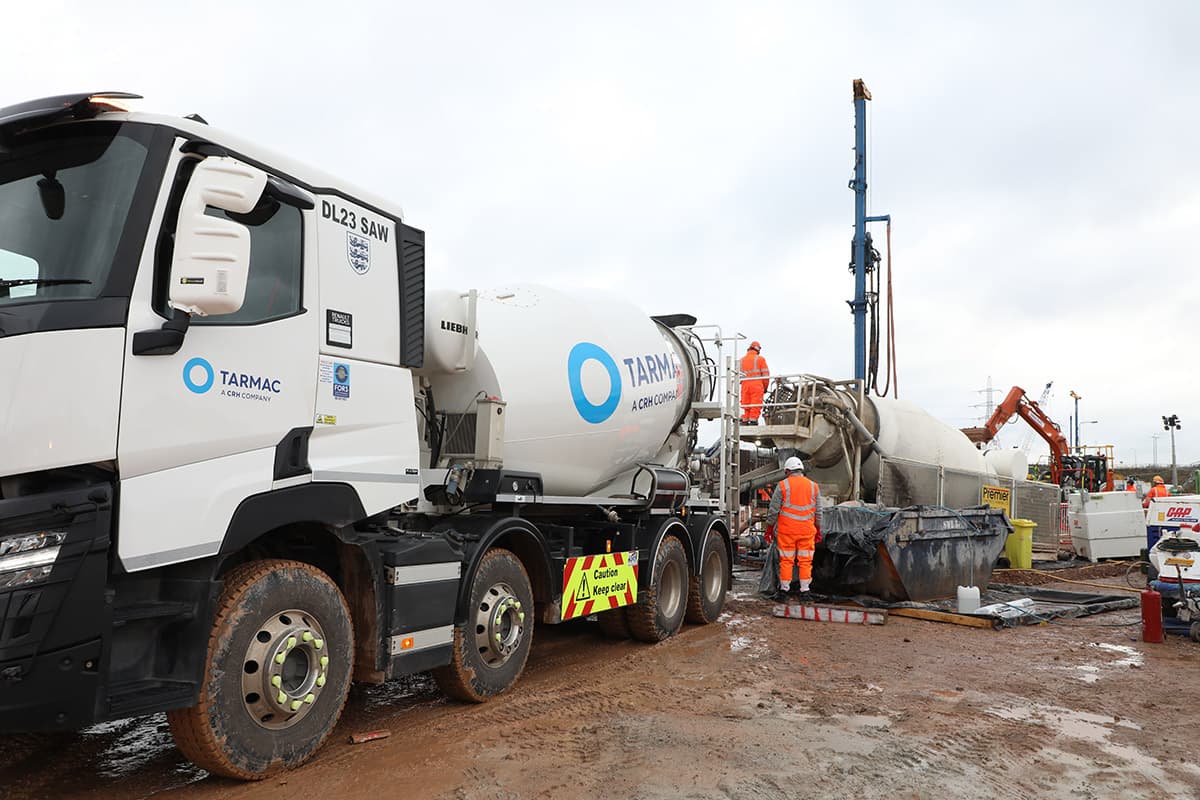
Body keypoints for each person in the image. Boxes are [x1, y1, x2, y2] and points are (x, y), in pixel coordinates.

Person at [765, 456, 822, 602]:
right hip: (807, 531)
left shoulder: (783, 485)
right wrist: (818, 530)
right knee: (805, 562)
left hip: (787, 531)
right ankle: (805, 592)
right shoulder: (813, 486)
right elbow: (818, 512)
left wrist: (769, 529)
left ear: (788, 471)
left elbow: (773, 510)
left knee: (786, 561)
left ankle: (784, 591)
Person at [739, 341, 769, 424]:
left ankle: (745, 420)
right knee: (755, 403)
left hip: (745, 385)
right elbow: (766, 375)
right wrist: (765, 388)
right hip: (757, 385)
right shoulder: (760, 359)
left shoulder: (741, 360)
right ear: (757, 349)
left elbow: (738, 376)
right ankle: (753, 420)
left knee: (746, 403)